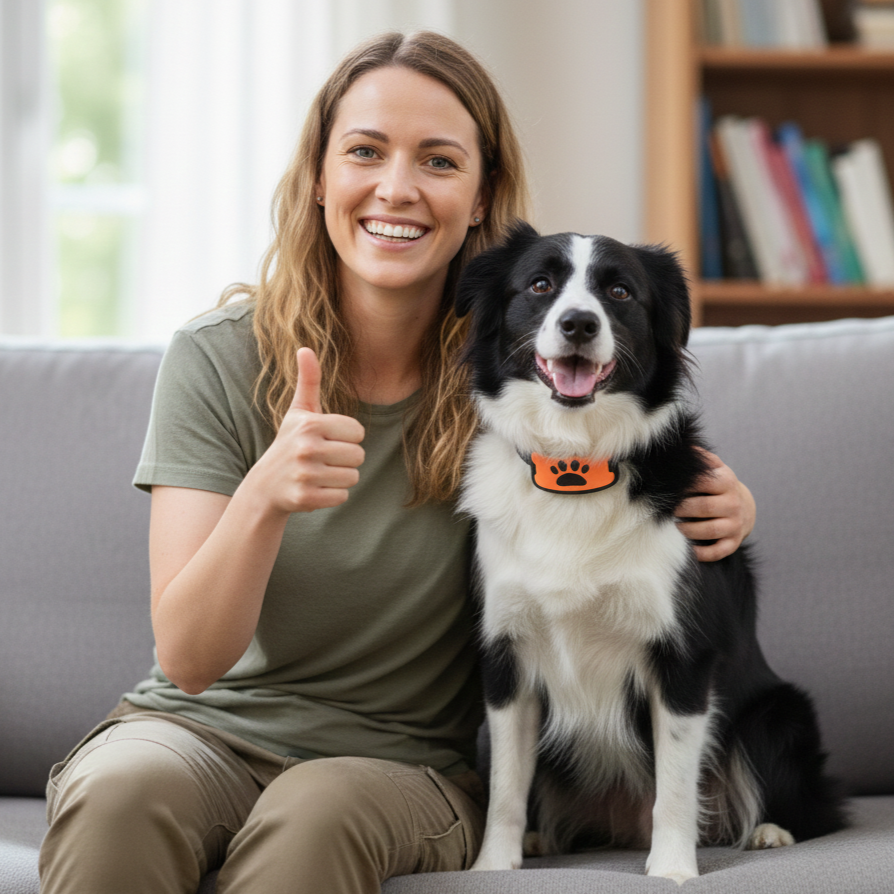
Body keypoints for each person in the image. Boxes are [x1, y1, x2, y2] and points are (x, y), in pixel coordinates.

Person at [38, 30, 756, 894]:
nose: (397, 187)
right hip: (197, 731)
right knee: (120, 796)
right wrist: (264, 496)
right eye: (365, 151)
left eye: (439, 160)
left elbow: (622, 471)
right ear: (319, 175)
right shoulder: (216, 358)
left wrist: (720, 503)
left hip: (399, 764)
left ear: (480, 190)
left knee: (314, 819)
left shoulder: (522, 378)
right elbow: (188, 658)